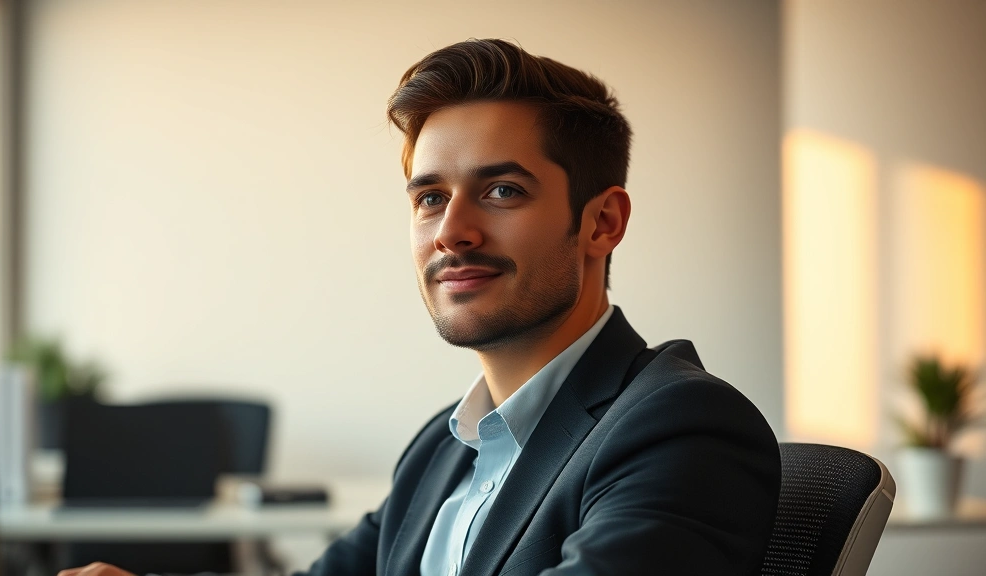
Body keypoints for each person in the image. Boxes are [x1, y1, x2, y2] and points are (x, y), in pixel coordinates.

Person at [60, 39, 780, 576]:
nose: (451, 232)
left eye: (501, 191)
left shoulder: (679, 429)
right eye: (430, 197)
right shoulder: (444, 447)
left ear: (602, 223)